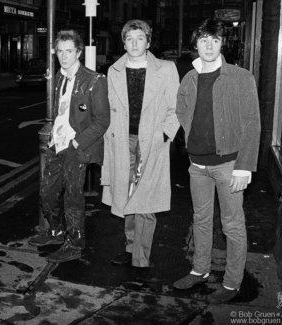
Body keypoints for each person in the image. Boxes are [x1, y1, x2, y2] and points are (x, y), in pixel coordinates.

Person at [173, 19, 261, 304]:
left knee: (232, 225)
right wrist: (190, 138)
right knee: (200, 219)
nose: (209, 46)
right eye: (203, 40)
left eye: (215, 40)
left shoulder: (240, 77)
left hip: (229, 164)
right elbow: (182, 110)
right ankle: (199, 269)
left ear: (223, 44)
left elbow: (251, 123)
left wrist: (244, 165)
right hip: (197, 165)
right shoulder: (190, 77)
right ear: (195, 44)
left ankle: (233, 282)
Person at [101, 20, 180, 282]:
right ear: (124, 43)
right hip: (123, 141)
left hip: (151, 141)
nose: (135, 43)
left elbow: (176, 107)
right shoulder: (114, 71)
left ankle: (140, 256)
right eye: (130, 39)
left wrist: (164, 135)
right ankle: (130, 246)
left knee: (146, 198)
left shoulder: (166, 69)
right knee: (126, 195)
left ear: (148, 41)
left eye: (140, 38)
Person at [28, 30, 110, 263]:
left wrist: (77, 142)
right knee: (47, 192)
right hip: (57, 144)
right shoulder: (59, 77)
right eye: (60, 52)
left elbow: (102, 120)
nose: (64, 56)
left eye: (69, 51)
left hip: (75, 147)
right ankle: (55, 232)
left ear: (79, 52)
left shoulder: (94, 80)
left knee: (73, 198)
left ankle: (75, 244)